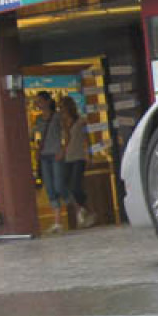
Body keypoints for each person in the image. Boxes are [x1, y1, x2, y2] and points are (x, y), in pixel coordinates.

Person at [59, 96, 96, 229]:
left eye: (63, 106)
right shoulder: (63, 123)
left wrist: (89, 154)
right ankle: (82, 210)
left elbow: (87, 139)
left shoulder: (80, 121)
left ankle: (87, 210)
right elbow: (66, 140)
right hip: (68, 157)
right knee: (67, 185)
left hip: (79, 156)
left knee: (75, 186)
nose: (61, 109)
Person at [33, 91, 66, 233]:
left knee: (59, 185)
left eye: (39, 101)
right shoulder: (39, 120)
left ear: (47, 101)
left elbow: (66, 133)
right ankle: (57, 221)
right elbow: (35, 136)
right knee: (50, 189)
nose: (37, 104)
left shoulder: (57, 117)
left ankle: (79, 207)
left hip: (56, 154)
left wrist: (62, 149)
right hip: (44, 155)